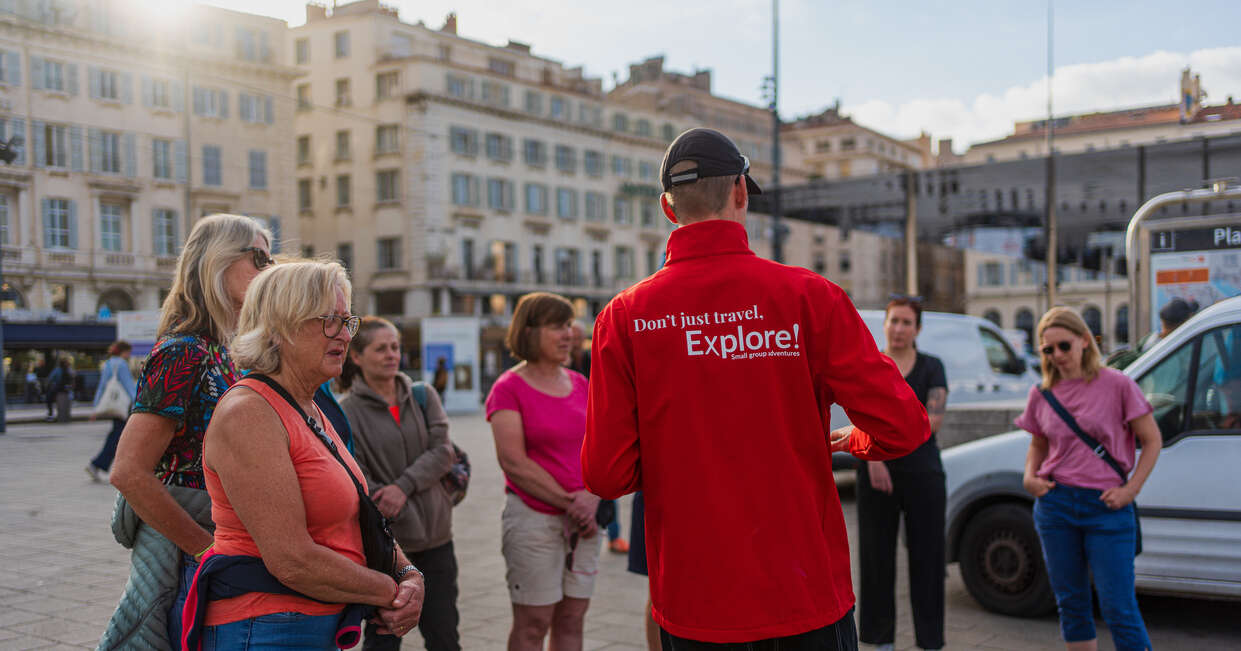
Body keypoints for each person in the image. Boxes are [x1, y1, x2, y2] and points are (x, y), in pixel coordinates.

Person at [581, 127, 929, 649]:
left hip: (695, 598)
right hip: (804, 592)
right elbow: (904, 427)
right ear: (741, 192)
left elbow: (605, 474)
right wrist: (853, 440)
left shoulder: (624, 317)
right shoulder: (812, 298)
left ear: (668, 209)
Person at [197, 260, 424, 647]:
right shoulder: (249, 411)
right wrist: (391, 592)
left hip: (307, 623)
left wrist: (409, 574)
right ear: (279, 327)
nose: (344, 335)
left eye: (346, 321)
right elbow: (292, 560)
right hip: (266, 626)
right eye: (328, 321)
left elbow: (356, 514)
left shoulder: (308, 405)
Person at [100, 214, 273, 650]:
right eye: (258, 257)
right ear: (216, 261)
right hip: (186, 551)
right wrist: (205, 549)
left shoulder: (225, 351)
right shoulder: (184, 351)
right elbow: (128, 471)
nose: (267, 271)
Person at [1016, 307, 1161, 651]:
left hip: (1106, 508)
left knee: (1119, 608)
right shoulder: (1042, 392)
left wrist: (1130, 490)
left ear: (1084, 340)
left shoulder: (1118, 384)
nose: (1057, 356)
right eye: (1048, 350)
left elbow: (1152, 440)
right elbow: (1038, 443)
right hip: (1055, 506)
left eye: (1064, 346)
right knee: (1071, 605)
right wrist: (1029, 478)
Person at [485, 292, 601, 651]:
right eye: (556, 326)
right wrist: (571, 502)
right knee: (533, 624)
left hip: (587, 522)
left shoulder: (582, 384)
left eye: (569, 324)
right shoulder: (508, 388)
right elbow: (514, 463)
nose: (568, 333)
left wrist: (592, 496)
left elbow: (601, 448)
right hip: (534, 521)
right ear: (530, 331)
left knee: (572, 619)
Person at [340, 316, 460, 651]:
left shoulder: (423, 395)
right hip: (388, 547)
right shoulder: (346, 412)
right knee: (383, 639)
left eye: (395, 347)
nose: (392, 354)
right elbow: (356, 474)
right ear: (358, 357)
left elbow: (443, 452)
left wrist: (402, 486)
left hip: (437, 539)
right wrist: (386, 493)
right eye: (381, 349)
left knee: (445, 637)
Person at [855, 297, 948, 651]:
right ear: (885, 325)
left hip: (924, 473)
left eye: (907, 322)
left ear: (918, 329)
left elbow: (932, 422)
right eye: (894, 321)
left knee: (928, 559)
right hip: (876, 472)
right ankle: (880, 642)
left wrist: (882, 440)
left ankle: (931, 642)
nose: (899, 328)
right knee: (875, 559)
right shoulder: (872, 365)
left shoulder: (932, 367)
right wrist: (874, 460)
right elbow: (859, 413)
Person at [567, 320, 628, 555]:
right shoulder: (562, 364)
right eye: (573, 337)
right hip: (575, 431)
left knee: (607, 484)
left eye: (579, 337)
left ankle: (613, 536)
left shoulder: (589, 357)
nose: (575, 342)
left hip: (593, 427)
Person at [86, 341, 138, 482]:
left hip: (115, 406)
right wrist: (137, 404)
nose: (129, 355)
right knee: (120, 437)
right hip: (124, 407)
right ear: (124, 351)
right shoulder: (121, 364)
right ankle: (98, 464)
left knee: (117, 434)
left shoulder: (108, 363)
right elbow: (129, 386)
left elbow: (102, 386)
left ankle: (100, 465)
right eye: (128, 352)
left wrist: (96, 407)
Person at [45, 356, 75, 422]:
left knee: (48, 398)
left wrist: (48, 386)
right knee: (69, 398)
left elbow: (50, 379)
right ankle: (64, 414)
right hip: (67, 389)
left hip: (59, 388)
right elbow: (73, 379)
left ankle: (50, 414)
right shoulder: (69, 370)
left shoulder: (58, 370)